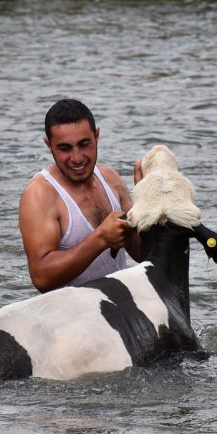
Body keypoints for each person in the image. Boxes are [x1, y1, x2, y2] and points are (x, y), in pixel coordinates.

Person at [19, 99, 142, 293]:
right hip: (72, 317)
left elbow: (142, 253)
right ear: (49, 145)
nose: (76, 158)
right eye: (65, 148)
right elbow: (41, 277)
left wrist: (148, 198)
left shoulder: (110, 178)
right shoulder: (40, 195)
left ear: (97, 136)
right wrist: (100, 239)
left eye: (84, 144)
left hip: (120, 309)